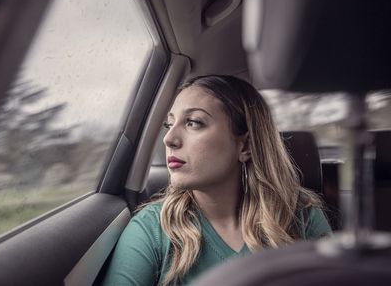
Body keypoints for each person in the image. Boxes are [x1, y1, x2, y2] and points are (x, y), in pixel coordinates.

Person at [102, 75, 332, 286]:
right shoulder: (152, 229)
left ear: (245, 146)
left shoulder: (302, 217)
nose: (169, 139)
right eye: (169, 124)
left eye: (193, 122)